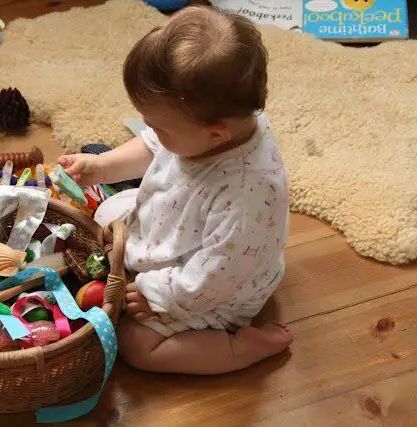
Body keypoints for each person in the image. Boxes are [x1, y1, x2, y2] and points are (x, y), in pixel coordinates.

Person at [58, 5, 292, 375]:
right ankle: (141, 253)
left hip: (214, 288)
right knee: (103, 214)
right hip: (176, 223)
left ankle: (237, 348)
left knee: (138, 346)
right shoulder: (212, 128)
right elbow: (152, 145)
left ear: (215, 134)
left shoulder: (247, 198)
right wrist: (101, 167)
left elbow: (212, 278)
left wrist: (161, 294)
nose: (154, 133)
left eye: (161, 127)